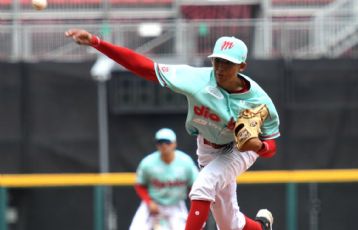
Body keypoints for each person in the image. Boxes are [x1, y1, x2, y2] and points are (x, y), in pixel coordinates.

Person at [65, 29, 280, 230]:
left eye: (228, 63)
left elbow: (271, 146)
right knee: (228, 224)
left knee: (202, 186)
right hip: (207, 147)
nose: (220, 68)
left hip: (239, 149)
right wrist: (97, 42)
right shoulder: (197, 79)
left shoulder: (258, 101)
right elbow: (144, 67)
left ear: (242, 66)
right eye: (217, 61)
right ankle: (261, 227)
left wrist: (260, 146)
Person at [130, 128, 198, 230]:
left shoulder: (185, 162)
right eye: (160, 142)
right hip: (154, 203)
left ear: (174, 144)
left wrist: (194, 205)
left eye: (167, 142)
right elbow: (140, 184)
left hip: (176, 204)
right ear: (156, 145)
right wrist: (149, 202)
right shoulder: (148, 163)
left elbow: (195, 186)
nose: (164, 145)